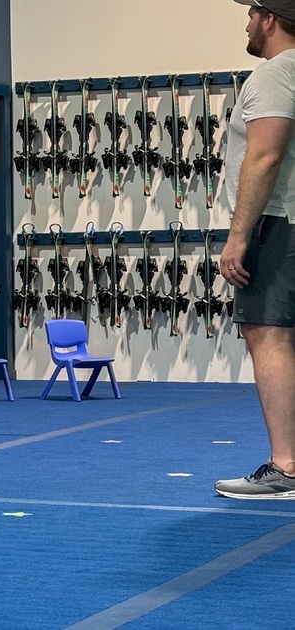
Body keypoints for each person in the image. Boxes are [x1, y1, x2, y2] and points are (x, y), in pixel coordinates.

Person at [216, 0, 295, 499]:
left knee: (268, 335)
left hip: (279, 224)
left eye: (250, 13)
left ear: (269, 18)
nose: (246, 23)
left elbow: (264, 155)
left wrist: (239, 236)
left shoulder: (273, 75)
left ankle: (286, 465)